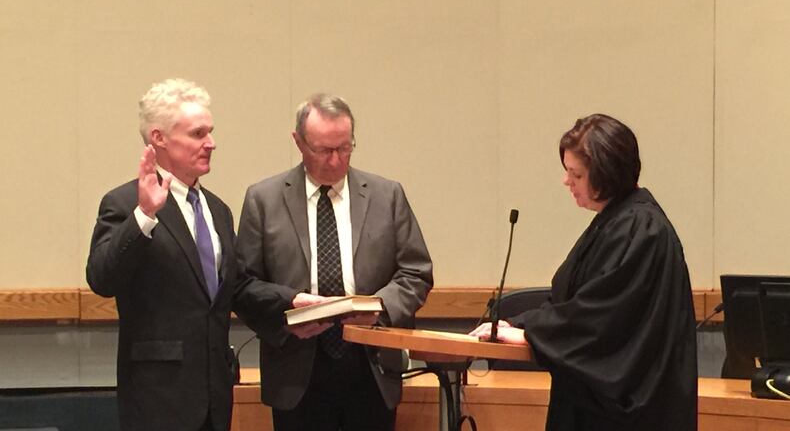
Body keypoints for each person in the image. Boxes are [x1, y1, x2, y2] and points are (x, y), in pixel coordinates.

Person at [86, 78, 318, 431]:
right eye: (197, 134)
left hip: (215, 393)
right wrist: (144, 216)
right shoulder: (124, 203)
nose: (211, 143)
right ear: (158, 138)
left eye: (210, 132)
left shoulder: (217, 209)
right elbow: (102, 279)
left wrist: (291, 305)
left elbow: (235, 287)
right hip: (158, 397)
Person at [470, 114, 698, 430]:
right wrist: (517, 324)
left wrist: (530, 335)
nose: (567, 182)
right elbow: (573, 302)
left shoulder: (641, 229)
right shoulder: (615, 221)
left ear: (605, 174)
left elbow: (602, 321)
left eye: (575, 174)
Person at [235, 93, 433, 431]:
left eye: (345, 147)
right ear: (298, 142)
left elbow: (416, 272)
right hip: (296, 366)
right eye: (323, 150)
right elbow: (243, 285)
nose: (335, 160)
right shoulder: (263, 200)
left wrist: (378, 308)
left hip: (371, 363)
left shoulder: (387, 196)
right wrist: (290, 308)